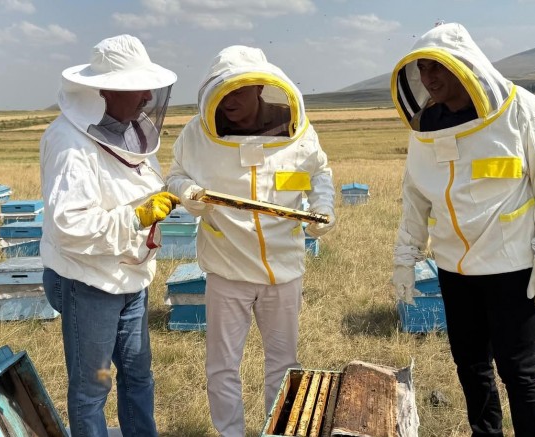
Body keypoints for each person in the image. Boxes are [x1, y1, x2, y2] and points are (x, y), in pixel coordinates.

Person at [390, 23, 535, 437]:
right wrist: (406, 256)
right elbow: (415, 195)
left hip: (512, 266)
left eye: (437, 67)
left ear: (464, 64)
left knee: (519, 369)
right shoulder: (425, 123)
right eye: (422, 69)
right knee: (470, 365)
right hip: (454, 269)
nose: (428, 78)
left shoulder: (520, 109)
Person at [166, 45, 336, 437]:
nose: (229, 100)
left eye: (239, 91)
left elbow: (319, 172)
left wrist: (323, 206)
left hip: (283, 270)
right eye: (224, 92)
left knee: (284, 363)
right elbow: (175, 175)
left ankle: (279, 431)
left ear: (260, 87)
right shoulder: (197, 133)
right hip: (226, 270)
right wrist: (186, 191)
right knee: (222, 366)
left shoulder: (295, 127)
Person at [39, 34, 179, 437]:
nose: (148, 97)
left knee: (138, 375)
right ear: (105, 91)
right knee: (94, 385)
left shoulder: (130, 132)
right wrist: (136, 217)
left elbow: (135, 186)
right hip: (89, 283)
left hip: (130, 278)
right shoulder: (70, 144)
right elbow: (70, 226)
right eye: (138, 87)